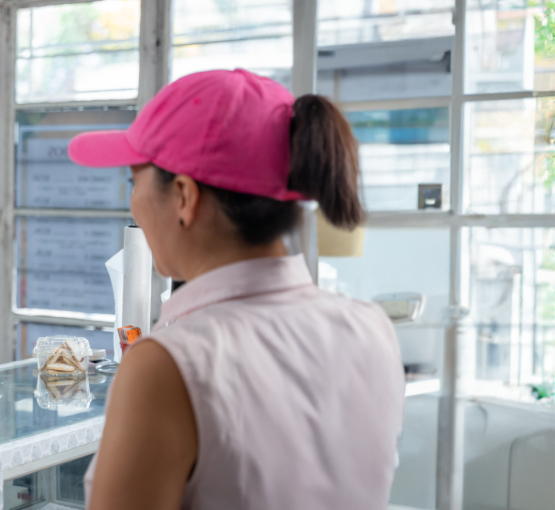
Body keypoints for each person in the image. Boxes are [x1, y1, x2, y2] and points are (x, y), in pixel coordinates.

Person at [74, 70, 404, 509]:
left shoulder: (167, 366)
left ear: (184, 197)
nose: (132, 200)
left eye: (135, 180)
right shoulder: (370, 328)